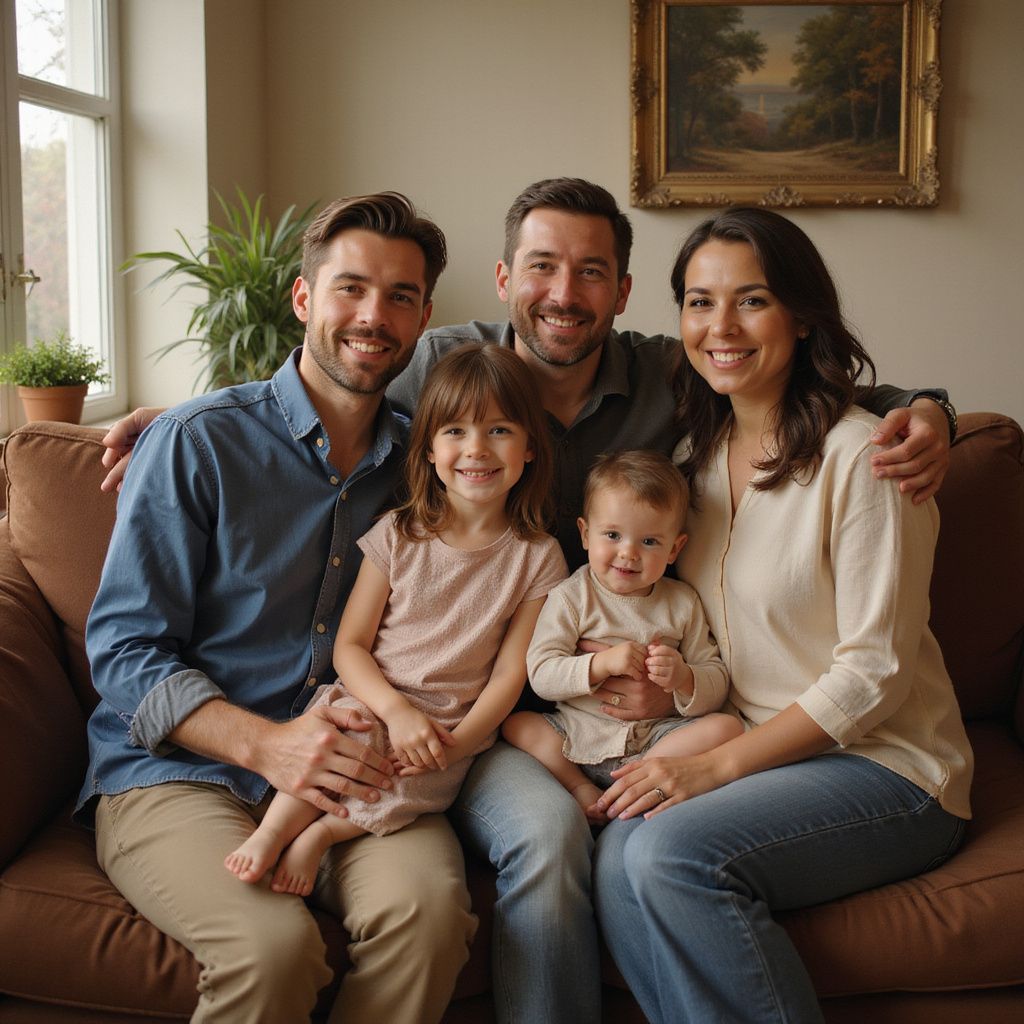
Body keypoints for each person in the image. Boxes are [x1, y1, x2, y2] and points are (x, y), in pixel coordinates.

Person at [96, 178, 958, 1022]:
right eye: (541, 266)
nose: (564, 293)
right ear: (504, 281)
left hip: (565, 721)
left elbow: (803, 390)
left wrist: (928, 410)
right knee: (544, 851)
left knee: (548, 877)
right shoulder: (424, 389)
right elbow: (319, 384)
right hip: (313, 741)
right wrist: (185, 423)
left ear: (622, 292)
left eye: (592, 273)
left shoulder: (683, 390)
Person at [77, 193, 480, 1024]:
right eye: (351, 288)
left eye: (401, 296)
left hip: (355, 773)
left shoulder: (429, 465)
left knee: (430, 917)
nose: (374, 316)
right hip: (182, 771)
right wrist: (268, 745)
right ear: (304, 300)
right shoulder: (197, 443)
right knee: (273, 950)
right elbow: (123, 650)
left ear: (424, 318)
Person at [590, 207, 974, 1024]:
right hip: (763, 751)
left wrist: (715, 769)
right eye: (698, 302)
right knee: (618, 849)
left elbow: (874, 674)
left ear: (801, 317)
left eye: (751, 300)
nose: (719, 326)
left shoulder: (868, 460)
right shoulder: (692, 465)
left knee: (668, 852)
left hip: (890, 767)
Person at [226, 343, 566, 895]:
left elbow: (511, 673)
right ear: (429, 449)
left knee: (413, 789)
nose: (476, 449)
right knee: (340, 742)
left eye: (500, 430)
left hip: (451, 724)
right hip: (374, 697)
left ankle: (322, 837)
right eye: (455, 431)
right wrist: (393, 711)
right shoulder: (399, 533)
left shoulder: (538, 556)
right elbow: (350, 647)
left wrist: (460, 742)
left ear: (530, 448)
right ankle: (272, 832)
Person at [503, 449, 739, 822]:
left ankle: (636, 781)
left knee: (727, 726)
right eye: (612, 535)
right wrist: (598, 664)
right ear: (584, 534)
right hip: (577, 736)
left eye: (649, 542)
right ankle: (581, 787)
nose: (628, 553)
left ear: (675, 548)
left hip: (657, 741)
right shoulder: (571, 596)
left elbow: (716, 678)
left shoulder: (682, 603)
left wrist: (684, 676)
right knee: (519, 725)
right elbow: (542, 674)